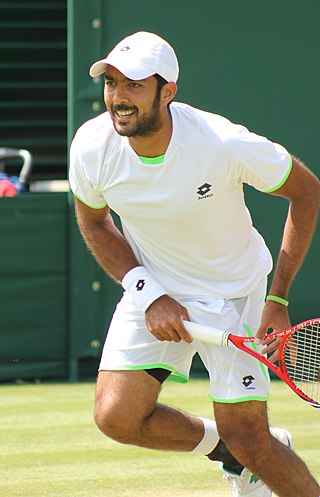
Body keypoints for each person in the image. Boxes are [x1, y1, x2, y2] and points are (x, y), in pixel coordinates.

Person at [69, 31, 320, 497]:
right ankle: (232, 456)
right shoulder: (91, 146)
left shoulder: (221, 143)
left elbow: (306, 192)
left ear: (168, 92)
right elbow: (95, 222)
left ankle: (246, 450)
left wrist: (277, 298)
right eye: (111, 83)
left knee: (250, 436)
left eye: (134, 86)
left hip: (232, 291)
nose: (118, 98)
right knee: (116, 417)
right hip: (155, 286)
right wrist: (148, 293)